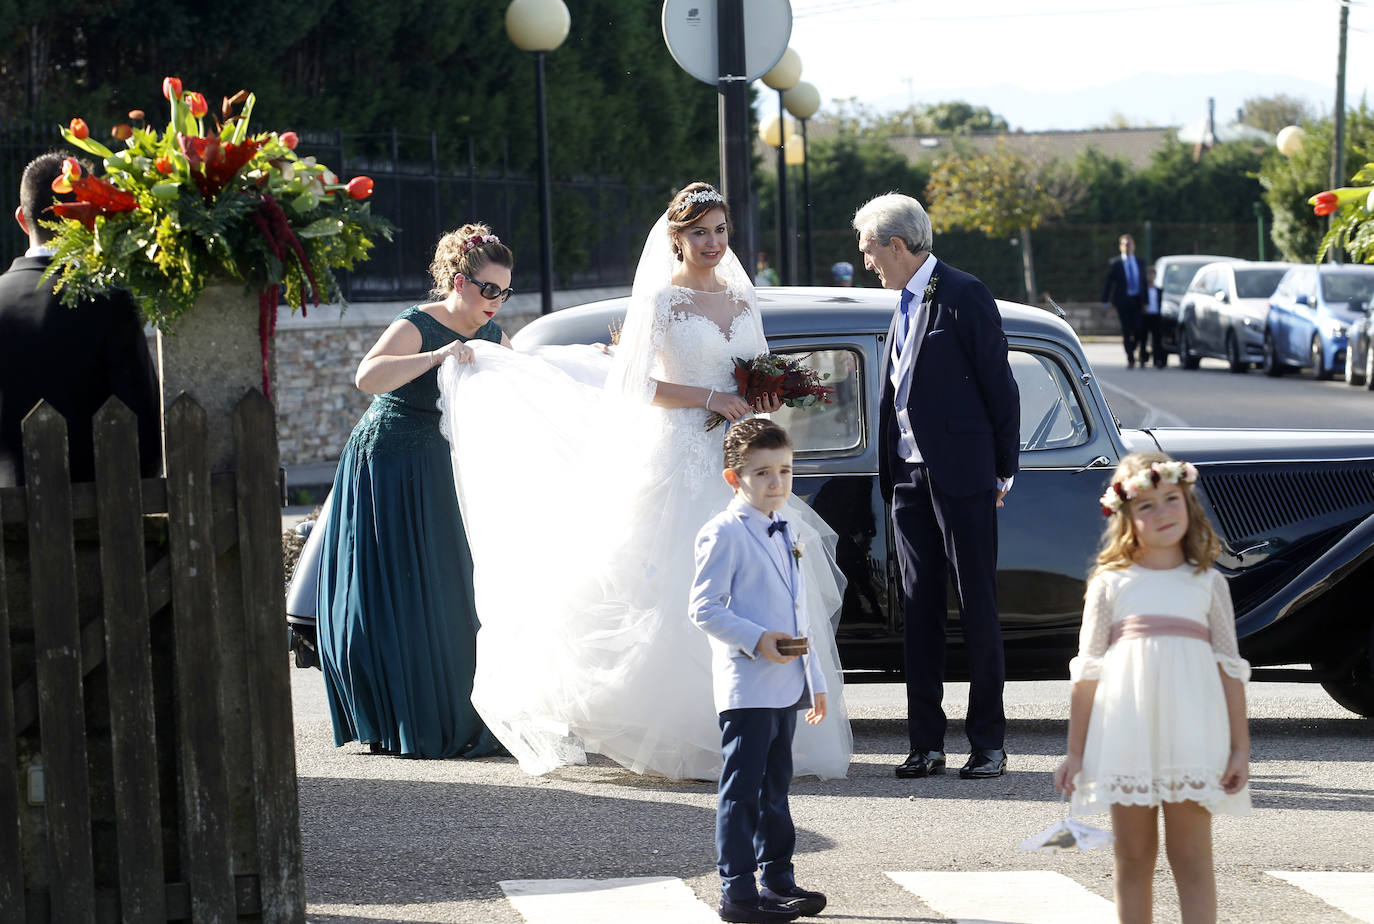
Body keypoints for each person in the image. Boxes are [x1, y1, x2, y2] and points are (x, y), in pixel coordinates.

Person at [439, 182, 852, 781]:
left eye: (720, 231)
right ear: (677, 238)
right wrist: (713, 396)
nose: (712, 243)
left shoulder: (742, 299)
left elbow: (756, 370)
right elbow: (635, 385)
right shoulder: (661, 300)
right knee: (677, 586)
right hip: (679, 451)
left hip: (734, 453)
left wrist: (765, 398)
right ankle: (691, 735)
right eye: (699, 232)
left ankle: (764, 724)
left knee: (760, 582)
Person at [314, 223, 512, 759]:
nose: (495, 301)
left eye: (504, 291)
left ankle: (452, 710)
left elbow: (522, 382)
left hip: (443, 464)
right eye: (488, 288)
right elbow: (367, 376)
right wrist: (438, 356)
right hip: (389, 459)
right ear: (458, 280)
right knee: (391, 584)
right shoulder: (418, 324)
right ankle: (391, 715)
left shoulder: (494, 336)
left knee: (447, 584)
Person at [852, 192, 1020, 781]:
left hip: (964, 474)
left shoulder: (967, 294)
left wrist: (1003, 468)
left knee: (978, 605)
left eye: (869, 248)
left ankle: (988, 744)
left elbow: (1000, 385)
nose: (864, 260)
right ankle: (925, 743)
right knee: (918, 609)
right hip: (908, 478)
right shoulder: (898, 301)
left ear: (896, 245)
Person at [1054, 452, 1250, 924]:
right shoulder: (1110, 583)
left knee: (1192, 857)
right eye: (1147, 506)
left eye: (1172, 500)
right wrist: (1076, 753)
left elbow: (1229, 668)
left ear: (1189, 503)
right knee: (1134, 855)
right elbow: (1087, 672)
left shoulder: (1207, 583)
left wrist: (1240, 747)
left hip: (1192, 735)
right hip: (1127, 735)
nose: (1163, 513)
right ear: (1125, 517)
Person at [690, 419, 829, 924]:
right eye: (763, 473)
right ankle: (737, 891)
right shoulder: (723, 531)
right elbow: (704, 608)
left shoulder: (789, 527)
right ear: (735, 478)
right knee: (742, 789)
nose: (777, 483)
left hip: (786, 683)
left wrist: (814, 682)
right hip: (747, 683)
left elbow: (799, 612)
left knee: (776, 786)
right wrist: (756, 638)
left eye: (785, 471)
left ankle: (778, 878)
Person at [0, 152, 161, 486]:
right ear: (90, 216)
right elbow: (144, 431)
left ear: (20, 218)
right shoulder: (111, 302)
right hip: (97, 515)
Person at [1101, 234, 1149, 368]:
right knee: (1127, 330)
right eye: (1124, 245)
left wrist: (1146, 302)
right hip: (1123, 301)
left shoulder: (1140, 262)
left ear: (1133, 246)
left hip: (1137, 301)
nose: (1127, 248)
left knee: (1139, 330)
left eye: (1129, 245)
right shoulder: (1115, 263)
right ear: (1120, 247)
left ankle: (1134, 349)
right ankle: (1130, 357)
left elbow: (1144, 283)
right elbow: (1108, 284)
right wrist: (1104, 303)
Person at [1140, 266, 1166, 369]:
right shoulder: (1143, 290)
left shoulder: (1158, 290)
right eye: (1149, 275)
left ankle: (1157, 359)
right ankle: (1143, 358)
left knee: (1157, 339)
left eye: (1152, 275)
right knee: (1143, 339)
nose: (1151, 277)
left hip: (1156, 316)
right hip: (1146, 316)